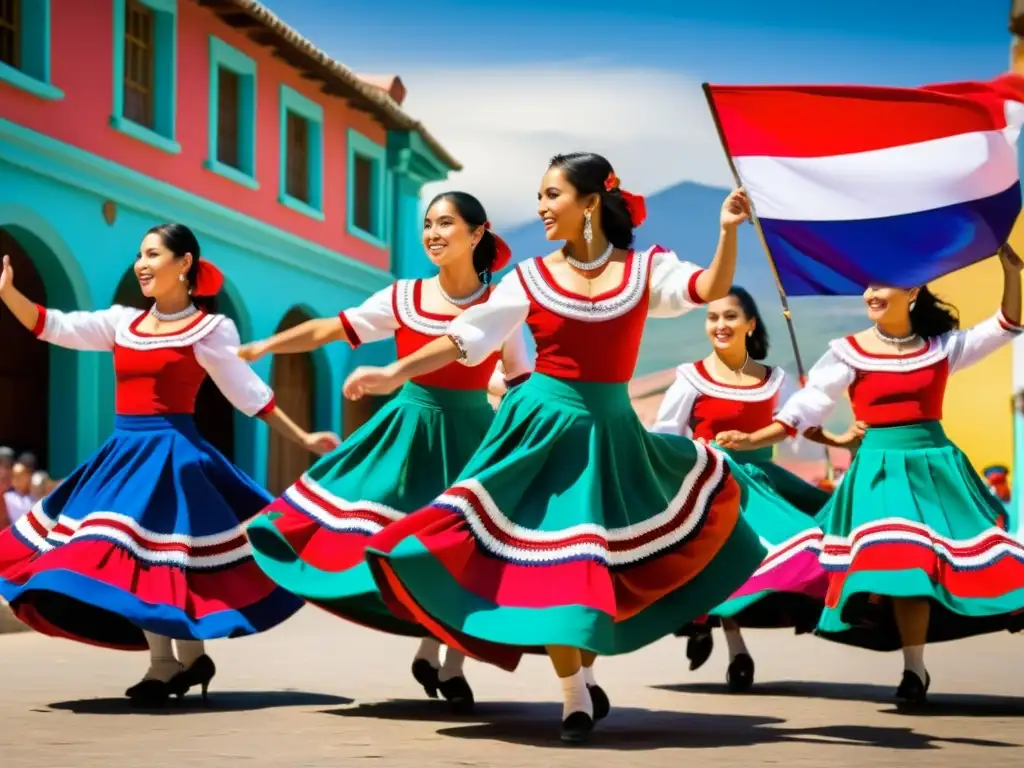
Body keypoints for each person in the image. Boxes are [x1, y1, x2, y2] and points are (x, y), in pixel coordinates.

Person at [345, 152, 766, 743]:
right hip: (539, 431)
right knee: (558, 565)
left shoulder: (646, 269)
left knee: (590, 565)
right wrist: (394, 373)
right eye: (539, 197)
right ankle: (573, 695)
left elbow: (706, 287)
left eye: (552, 195)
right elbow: (465, 337)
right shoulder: (528, 278)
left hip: (609, 434)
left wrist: (726, 231)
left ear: (590, 202)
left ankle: (582, 682)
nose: (540, 207)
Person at [0, 223, 339, 707]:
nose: (140, 263)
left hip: (174, 457)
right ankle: (182, 660)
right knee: (130, 556)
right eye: (139, 254)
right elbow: (51, 325)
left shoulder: (210, 329)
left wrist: (303, 437)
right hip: (123, 455)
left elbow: (249, 394)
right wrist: (9, 293)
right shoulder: (121, 323)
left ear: (184, 264)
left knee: (161, 558)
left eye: (153, 254)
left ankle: (172, 663)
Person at [241, 192, 531, 713]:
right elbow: (331, 327)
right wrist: (267, 346)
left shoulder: (502, 307)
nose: (434, 233)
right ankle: (433, 651)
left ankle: (446, 660)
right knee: (391, 533)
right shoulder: (404, 297)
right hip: (408, 432)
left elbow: (520, 383)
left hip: (475, 441)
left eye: (446, 223)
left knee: (466, 549)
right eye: (428, 224)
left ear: (477, 233)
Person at [716, 243, 1024, 704]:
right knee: (906, 561)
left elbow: (1006, 325)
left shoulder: (940, 349)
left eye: (882, 285)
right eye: (869, 285)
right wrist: (755, 438)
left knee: (935, 565)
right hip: (878, 471)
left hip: (935, 467)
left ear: (913, 292)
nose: (871, 292)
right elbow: (808, 405)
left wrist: (1012, 270)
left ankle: (914, 669)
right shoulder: (848, 352)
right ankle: (902, 655)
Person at [649, 286, 860, 691]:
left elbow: (796, 424)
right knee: (726, 563)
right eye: (712, 317)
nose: (719, 325)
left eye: (729, 316)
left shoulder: (773, 379)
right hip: (714, 487)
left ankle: (708, 624)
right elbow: (665, 436)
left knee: (816, 542)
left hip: (765, 484)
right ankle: (736, 650)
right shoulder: (691, 377)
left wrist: (839, 441)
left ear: (750, 325)